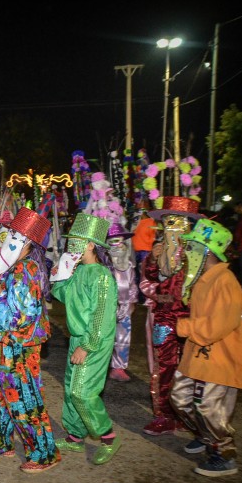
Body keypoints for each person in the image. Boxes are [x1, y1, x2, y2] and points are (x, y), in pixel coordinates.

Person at [0, 207, 59, 473]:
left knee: (23, 398)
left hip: (20, 345)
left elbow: (20, 316)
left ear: (28, 243)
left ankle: (44, 453)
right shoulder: (16, 267)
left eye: (14, 235)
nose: (7, 239)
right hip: (7, 343)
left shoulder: (26, 269)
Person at [170, 219, 242, 477]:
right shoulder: (204, 279)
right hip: (197, 354)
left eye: (192, 247)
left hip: (218, 358)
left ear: (207, 251)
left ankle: (224, 453)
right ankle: (206, 436)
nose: (188, 252)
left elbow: (218, 325)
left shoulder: (225, 281)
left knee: (207, 405)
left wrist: (185, 327)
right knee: (179, 398)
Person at [51, 213, 121, 465]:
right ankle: (75, 438)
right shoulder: (78, 271)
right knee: (71, 390)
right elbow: (63, 295)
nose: (71, 246)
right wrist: (58, 276)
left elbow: (102, 316)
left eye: (77, 241)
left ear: (91, 244)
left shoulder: (101, 276)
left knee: (82, 392)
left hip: (94, 342)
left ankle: (109, 437)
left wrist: (87, 346)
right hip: (78, 338)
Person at [140, 197, 203, 436]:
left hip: (192, 320)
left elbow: (195, 287)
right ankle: (165, 415)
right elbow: (148, 283)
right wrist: (155, 261)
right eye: (167, 222)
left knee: (193, 368)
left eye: (177, 222)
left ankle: (192, 418)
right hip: (164, 320)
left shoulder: (198, 254)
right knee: (163, 367)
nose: (171, 228)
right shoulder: (157, 252)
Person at [107, 223, 138, 382]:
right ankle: (102, 365)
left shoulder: (129, 267)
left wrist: (132, 301)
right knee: (106, 337)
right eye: (113, 242)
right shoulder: (106, 267)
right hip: (109, 308)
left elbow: (132, 285)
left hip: (126, 307)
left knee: (123, 338)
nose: (118, 246)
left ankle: (118, 367)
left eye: (120, 241)